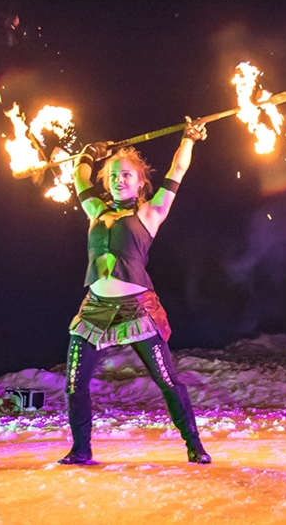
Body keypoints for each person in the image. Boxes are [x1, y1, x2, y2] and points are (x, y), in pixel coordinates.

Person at [59, 117, 210, 465]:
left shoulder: (150, 212)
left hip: (138, 310)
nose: (118, 180)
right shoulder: (95, 210)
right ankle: (81, 450)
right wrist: (87, 153)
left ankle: (194, 445)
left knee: (168, 381)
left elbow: (177, 171)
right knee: (73, 384)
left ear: (139, 181)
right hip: (95, 310)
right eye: (113, 175)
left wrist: (188, 139)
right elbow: (79, 177)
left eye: (126, 174)